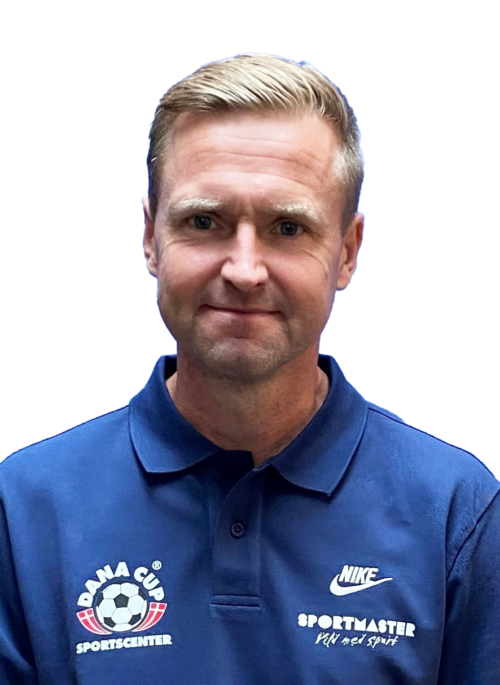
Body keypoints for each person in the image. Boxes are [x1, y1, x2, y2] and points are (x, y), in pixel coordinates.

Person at [0, 53, 498, 685]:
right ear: (150, 237)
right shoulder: (23, 508)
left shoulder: (457, 511)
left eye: (287, 227)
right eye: (204, 221)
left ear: (347, 253)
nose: (243, 270)